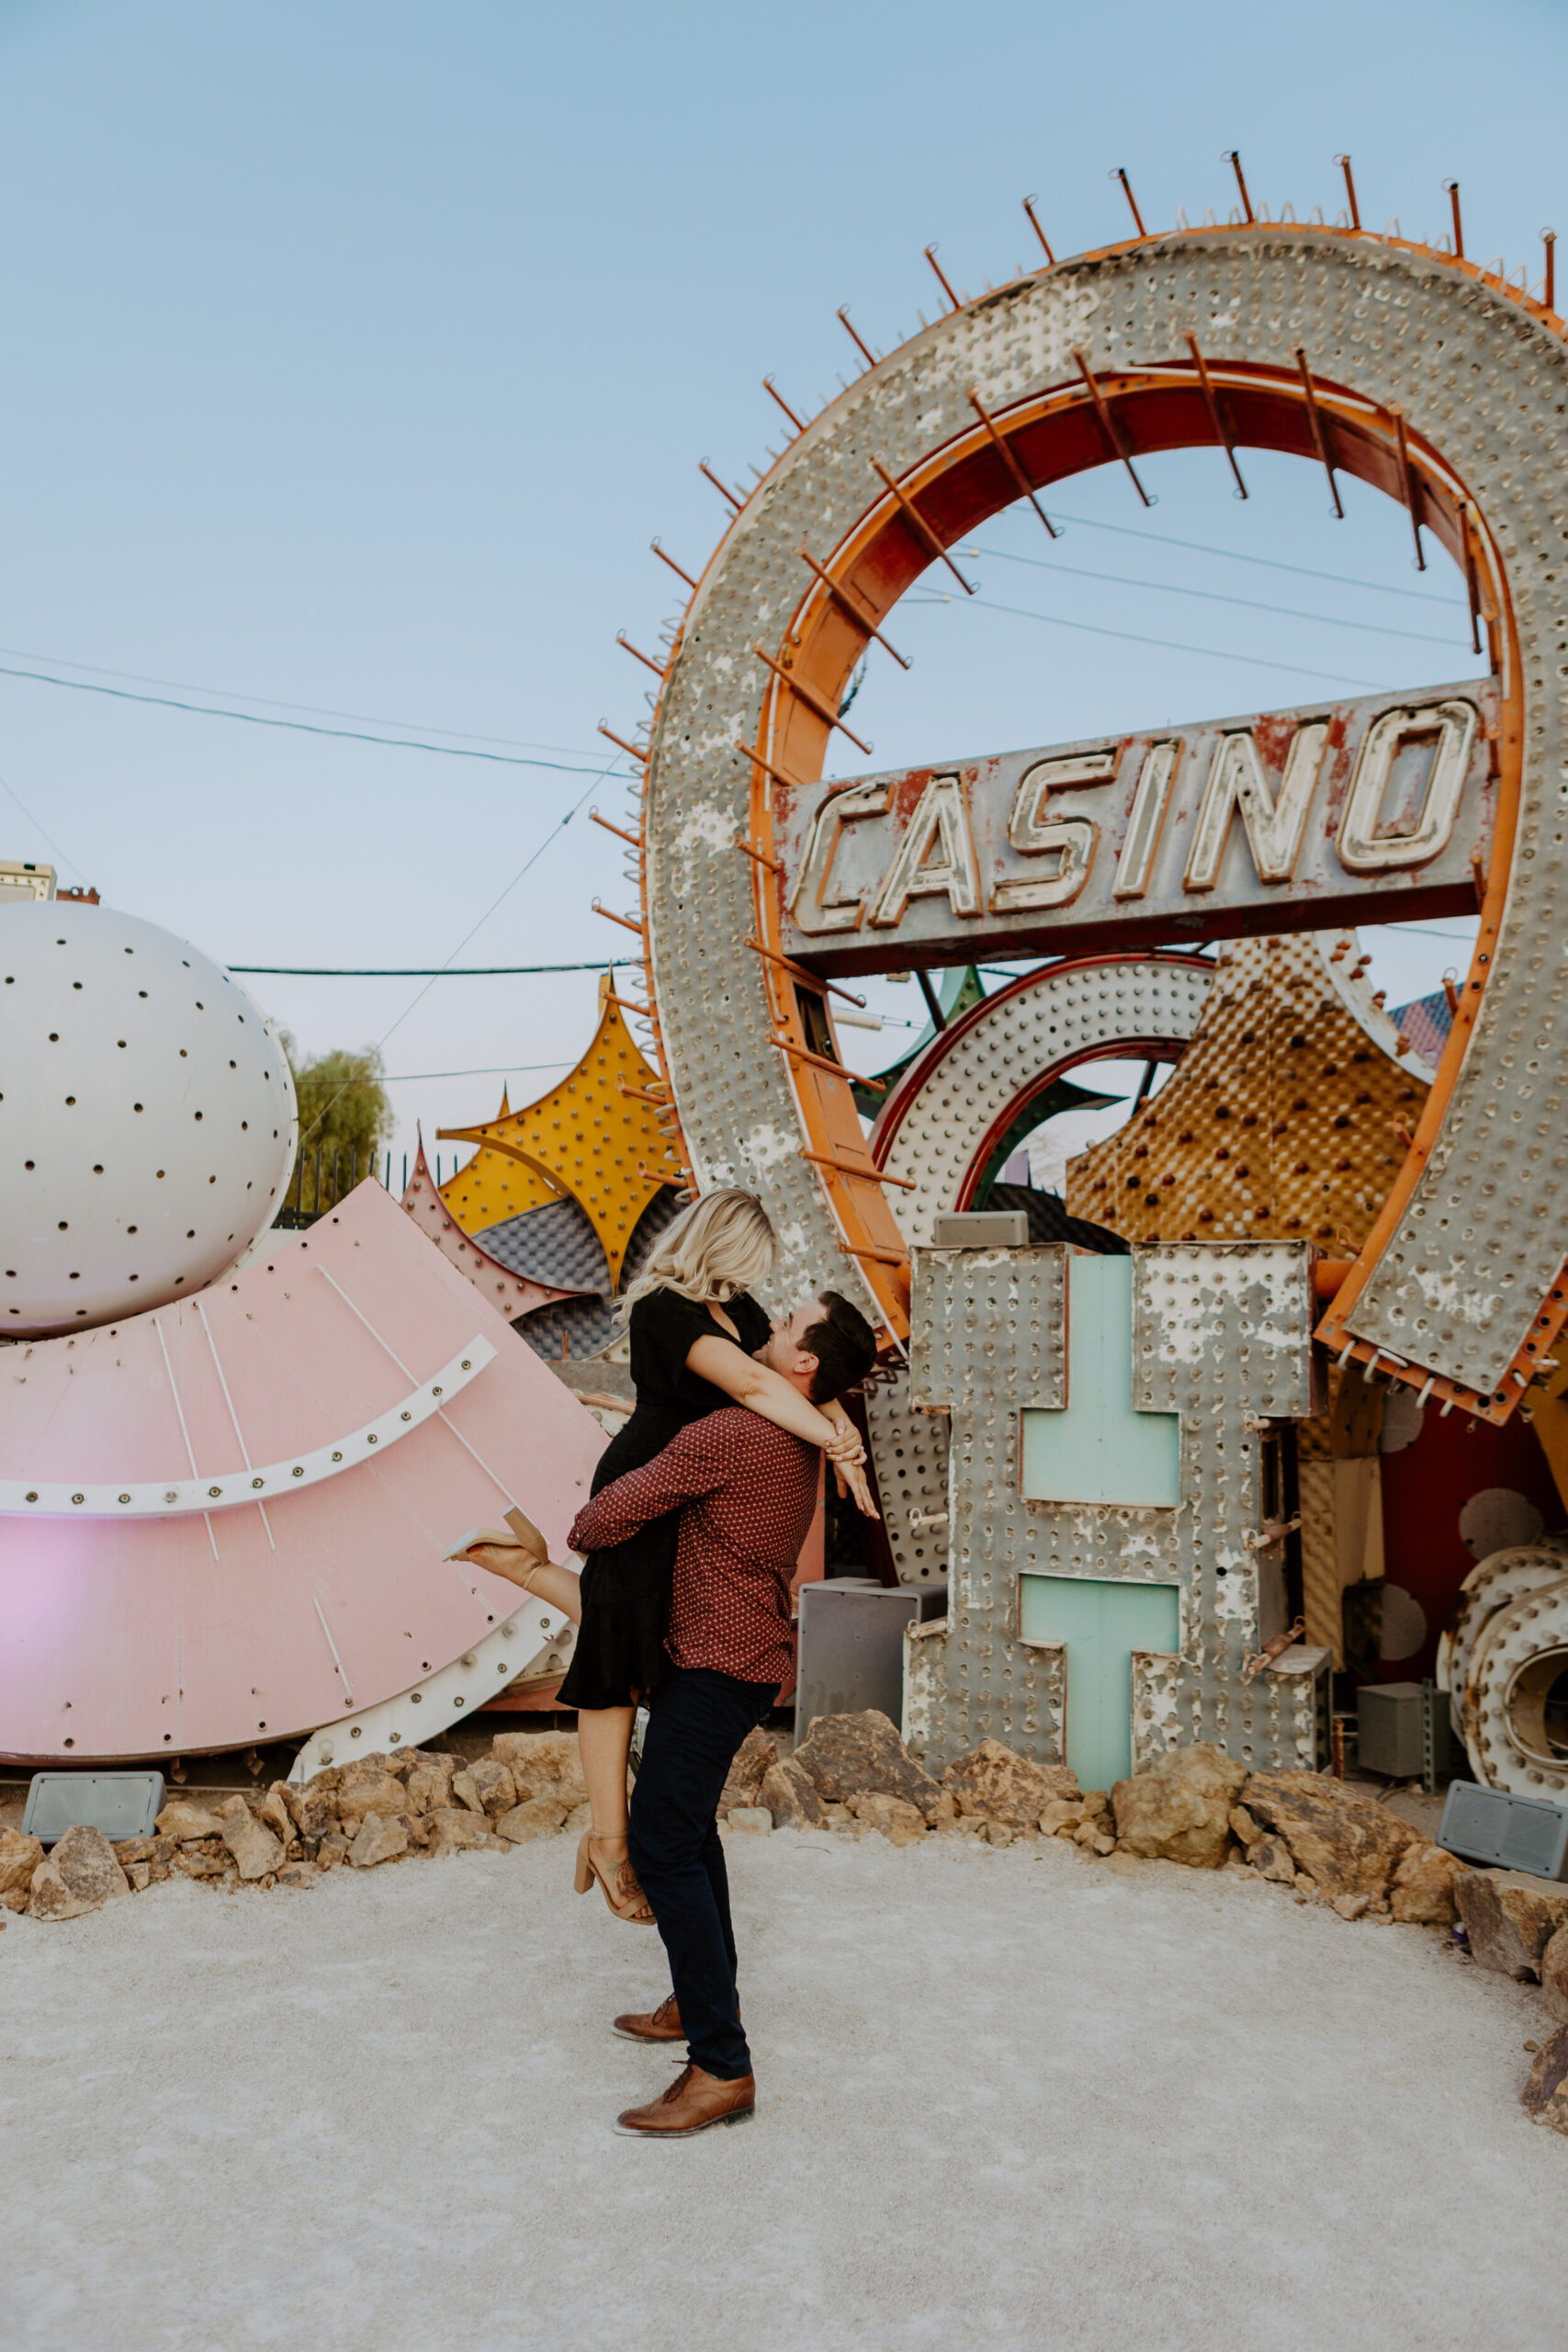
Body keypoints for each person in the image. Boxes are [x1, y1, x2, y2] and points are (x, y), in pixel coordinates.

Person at [452, 1189, 874, 1927]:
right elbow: (749, 1383)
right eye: (750, 1263)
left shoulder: (736, 1311)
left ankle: (528, 1570)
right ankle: (610, 1846)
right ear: (721, 1247)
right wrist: (834, 1442)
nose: (759, 1290)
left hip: (696, 1489)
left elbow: (788, 1374)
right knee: (611, 1665)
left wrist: (838, 1424)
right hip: (647, 1482)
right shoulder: (662, 1311)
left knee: (635, 1626)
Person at [561, 1288, 879, 2138]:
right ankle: (692, 1999)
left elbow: (593, 1525)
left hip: (712, 1668)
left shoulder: (733, 1435)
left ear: (803, 1364)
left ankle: (722, 2066)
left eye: (780, 1329)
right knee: (690, 1834)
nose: (759, 1333)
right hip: (742, 1664)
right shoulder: (792, 1441)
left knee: (664, 1843)